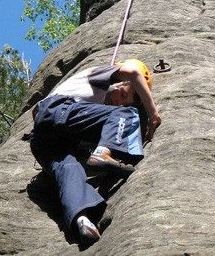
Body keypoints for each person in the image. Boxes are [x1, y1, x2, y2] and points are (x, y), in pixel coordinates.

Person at [29, 58, 161, 247]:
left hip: (44, 141)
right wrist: (152, 113)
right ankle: (103, 152)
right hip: (59, 110)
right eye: (122, 94)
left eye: (123, 101)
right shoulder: (100, 76)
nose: (118, 102)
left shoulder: (96, 108)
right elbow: (133, 72)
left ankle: (82, 221)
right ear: (118, 81)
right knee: (127, 114)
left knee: (70, 171)